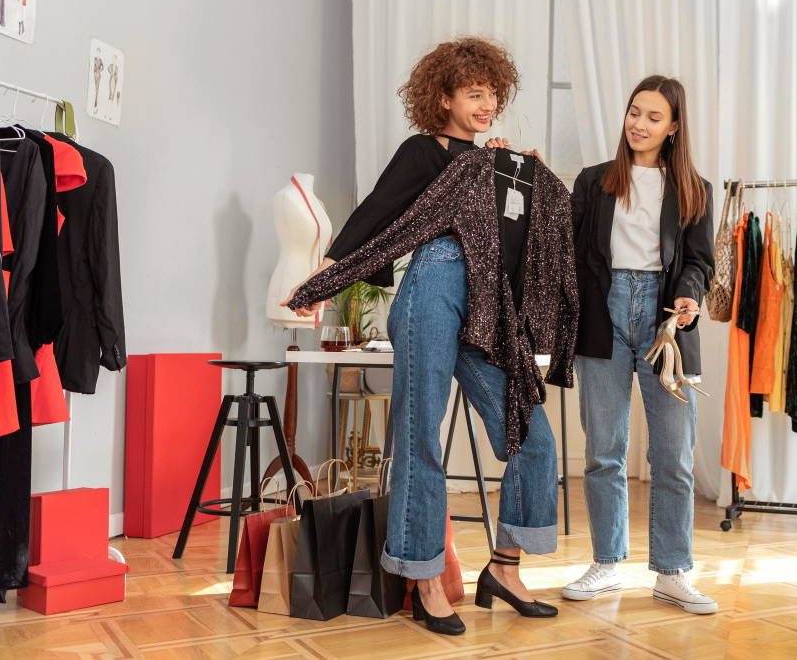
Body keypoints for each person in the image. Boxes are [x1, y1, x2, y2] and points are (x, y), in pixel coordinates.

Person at [287, 37, 561, 635]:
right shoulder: (423, 150)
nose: (487, 105)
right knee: (420, 435)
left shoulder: (495, 163)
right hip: (432, 291)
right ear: (443, 98)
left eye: (492, 95)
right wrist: (327, 274)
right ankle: (424, 579)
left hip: (485, 307)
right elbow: (377, 212)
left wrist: (518, 181)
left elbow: (522, 242)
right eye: (474, 94)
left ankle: (505, 568)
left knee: (532, 432)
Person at [561, 75, 717, 614]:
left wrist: (689, 295)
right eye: (634, 112)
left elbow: (699, 262)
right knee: (603, 451)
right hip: (601, 317)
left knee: (674, 454)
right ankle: (606, 564)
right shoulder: (593, 181)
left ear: (673, 127)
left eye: (653, 117)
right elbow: (567, 251)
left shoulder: (695, 189)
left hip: (666, 321)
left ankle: (672, 572)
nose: (639, 124)